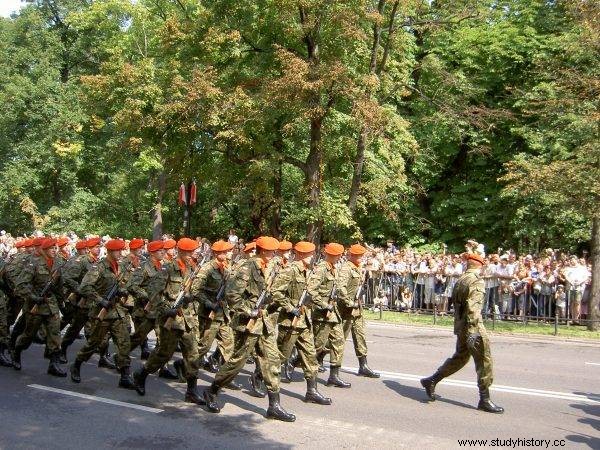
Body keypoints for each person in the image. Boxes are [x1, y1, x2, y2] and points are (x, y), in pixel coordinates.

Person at [202, 236, 296, 422]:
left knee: (272, 361)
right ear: (262, 251)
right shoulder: (248, 267)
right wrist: (249, 311)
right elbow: (232, 294)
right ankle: (212, 391)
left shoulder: (272, 267)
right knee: (237, 362)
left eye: (274, 251)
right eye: (270, 251)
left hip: (265, 323)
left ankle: (274, 406)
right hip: (249, 323)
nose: (274, 254)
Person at [420, 252, 504, 414]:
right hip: (473, 327)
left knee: (459, 358)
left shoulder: (461, 279)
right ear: (480, 265)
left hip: (461, 325)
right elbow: (474, 308)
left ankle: (432, 380)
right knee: (484, 360)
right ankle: (484, 399)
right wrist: (473, 331)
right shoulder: (476, 281)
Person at [134, 238, 204, 403]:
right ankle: (141, 374)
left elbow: (195, 291)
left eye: (194, 251)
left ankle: (191, 391)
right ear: (182, 252)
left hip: (189, 318)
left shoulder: (192, 267)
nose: (194, 254)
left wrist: (191, 297)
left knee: (193, 354)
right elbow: (153, 292)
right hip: (171, 318)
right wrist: (166, 309)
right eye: (190, 252)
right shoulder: (168, 268)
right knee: (164, 353)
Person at [69, 239, 135, 389]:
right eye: (118, 251)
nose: (121, 253)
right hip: (101, 312)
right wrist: (100, 300)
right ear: (110, 251)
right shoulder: (98, 267)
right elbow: (84, 287)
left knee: (124, 343)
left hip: (117, 312)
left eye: (121, 250)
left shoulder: (120, 266)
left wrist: (123, 291)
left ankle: (125, 375)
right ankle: (77, 364)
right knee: (93, 344)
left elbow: (121, 284)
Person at [271, 241, 331, 405]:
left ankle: (311, 391)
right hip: (290, 321)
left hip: (304, 321)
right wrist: (290, 308)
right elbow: (275, 291)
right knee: (280, 356)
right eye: (310, 254)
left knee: (310, 356)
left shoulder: (307, 271)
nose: (312, 257)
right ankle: (259, 375)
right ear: (302, 254)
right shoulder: (290, 270)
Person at [12, 238, 66, 376]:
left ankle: (54, 364)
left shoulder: (58, 263)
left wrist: (62, 303)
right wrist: (33, 297)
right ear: (44, 250)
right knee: (28, 335)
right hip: (35, 305)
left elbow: (59, 286)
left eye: (56, 248)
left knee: (55, 334)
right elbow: (21, 285)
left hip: (51, 304)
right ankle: (16, 352)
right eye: (52, 248)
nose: (55, 250)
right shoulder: (33, 263)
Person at [336, 244, 379, 378]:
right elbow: (340, 287)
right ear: (352, 255)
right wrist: (348, 302)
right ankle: (323, 362)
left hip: (356, 308)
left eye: (362, 255)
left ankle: (363, 365)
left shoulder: (358, 268)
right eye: (359, 255)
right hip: (346, 309)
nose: (361, 258)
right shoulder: (346, 268)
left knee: (360, 336)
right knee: (339, 339)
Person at [308, 243, 349, 386]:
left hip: (333, 312)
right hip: (322, 313)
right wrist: (324, 305)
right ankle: (296, 361)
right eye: (339, 255)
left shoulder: (334, 268)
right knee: (317, 346)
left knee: (339, 341)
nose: (340, 257)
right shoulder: (321, 268)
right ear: (332, 254)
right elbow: (311, 291)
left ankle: (334, 376)